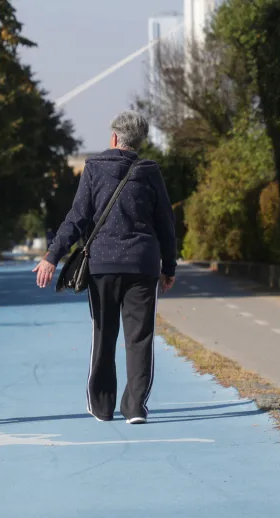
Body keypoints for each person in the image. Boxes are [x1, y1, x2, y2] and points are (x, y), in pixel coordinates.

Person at [33, 111, 177, 424]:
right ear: (140, 142)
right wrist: (169, 266)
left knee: (104, 334)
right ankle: (135, 407)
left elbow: (77, 217)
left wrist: (52, 256)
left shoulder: (94, 167)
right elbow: (166, 222)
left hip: (102, 266)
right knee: (140, 338)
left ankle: (101, 405)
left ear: (114, 138)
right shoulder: (150, 171)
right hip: (142, 265)